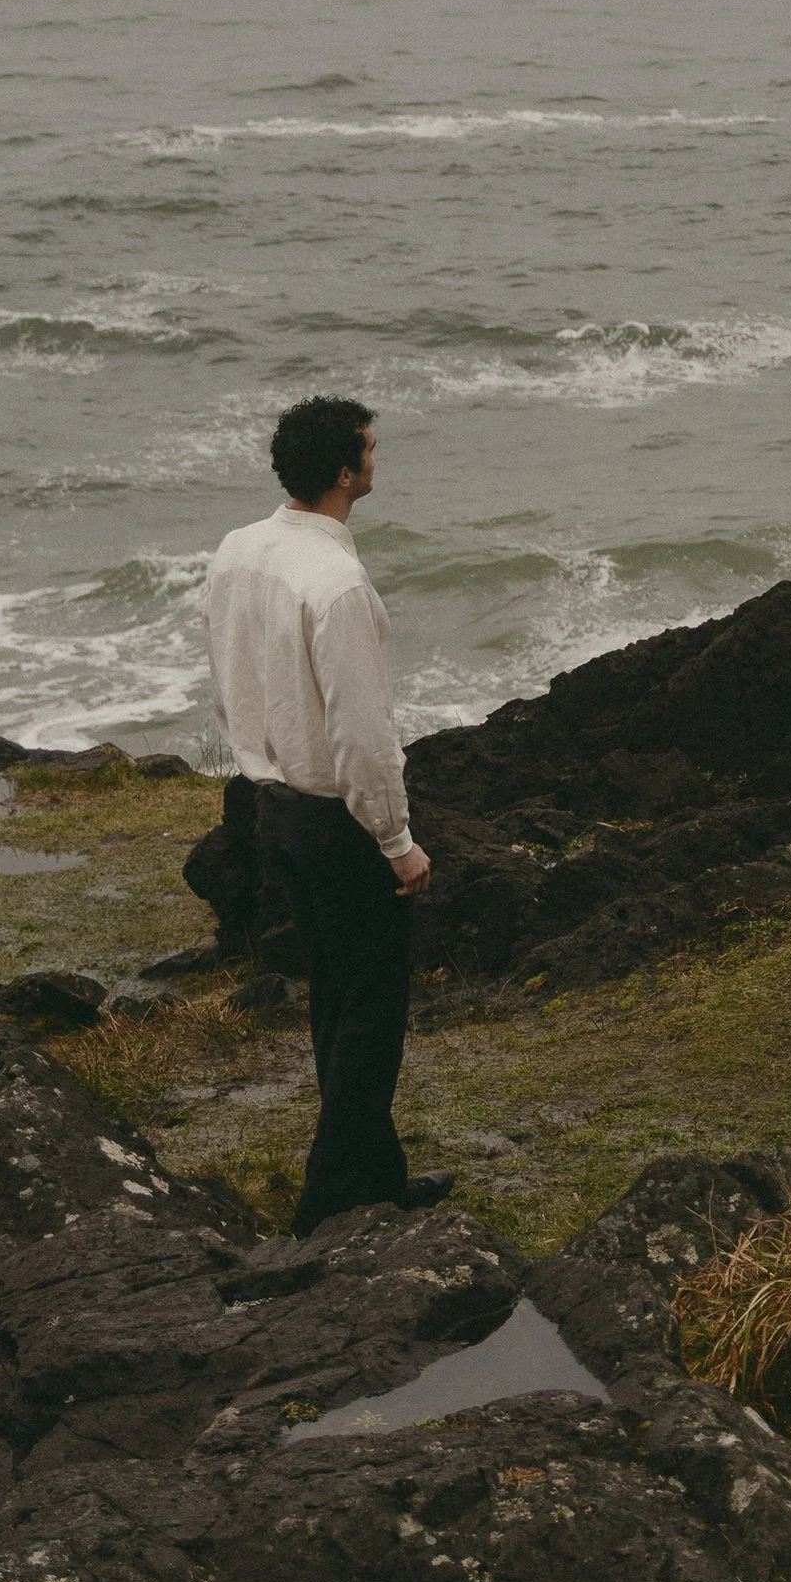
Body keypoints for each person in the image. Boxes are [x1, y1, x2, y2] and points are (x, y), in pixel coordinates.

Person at [204, 394, 450, 1234]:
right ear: (346, 472)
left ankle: (378, 1179)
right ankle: (325, 1200)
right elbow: (362, 735)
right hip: (339, 820)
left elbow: (228, 663)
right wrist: (398, 841)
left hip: (272, 806)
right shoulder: (336, 582)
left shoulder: (242, 551)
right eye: (371, 451)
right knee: (372, 1014)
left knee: (332, 1001)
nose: (377, 460)